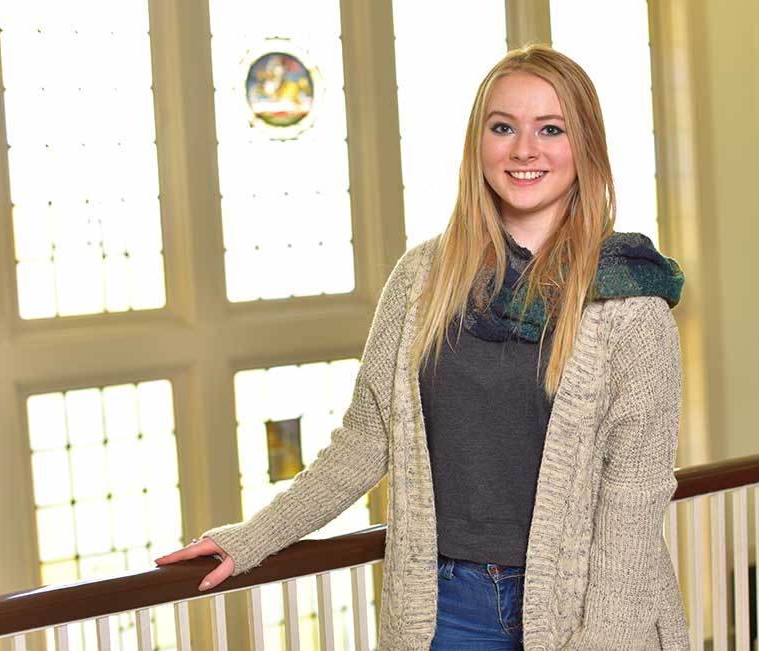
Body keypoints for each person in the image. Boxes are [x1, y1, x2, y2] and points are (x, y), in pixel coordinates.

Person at [156, 44, 690, 650]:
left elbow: (633, 504)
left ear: (585, 147)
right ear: (478, 143)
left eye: (551, 129)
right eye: (503, 127)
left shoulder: (630, 306)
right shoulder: (422, 279)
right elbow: (365, 439)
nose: (524, 149)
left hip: (589, 612)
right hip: (442, 609)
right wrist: (252, 538)